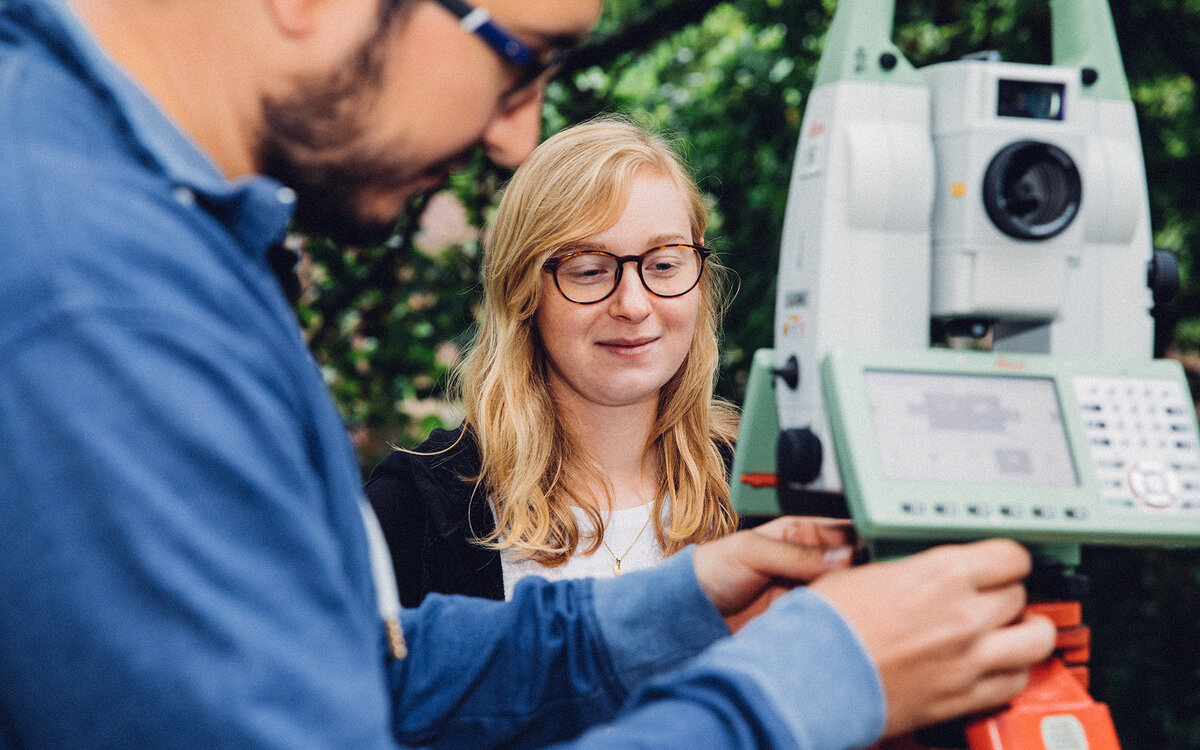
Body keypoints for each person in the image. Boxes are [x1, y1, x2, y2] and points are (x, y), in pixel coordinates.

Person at [0, 0, 1057, 748]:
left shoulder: (148, 227)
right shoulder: (94, 294)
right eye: (519, 58)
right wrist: (808, 685)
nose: (515, 137)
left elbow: (371, 673)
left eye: (663, 263)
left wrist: (681, 598)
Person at [366, 117, 741, 604]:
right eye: (588, 270)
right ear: (523, 292)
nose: (633, 304)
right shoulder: (414, 511)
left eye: (664, 264)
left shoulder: (762, 495)